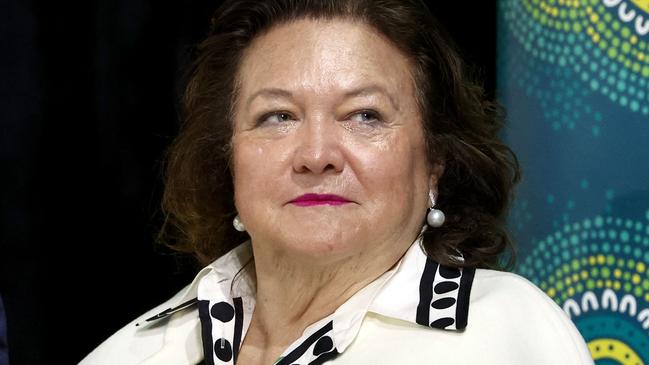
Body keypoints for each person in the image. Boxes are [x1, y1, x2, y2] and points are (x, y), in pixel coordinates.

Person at [80, 0, 594, 364]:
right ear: (228, 160)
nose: (317, 155)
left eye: (364, 115)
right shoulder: (131, 353)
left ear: (435, 162)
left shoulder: (508, 333)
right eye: (278, 116)